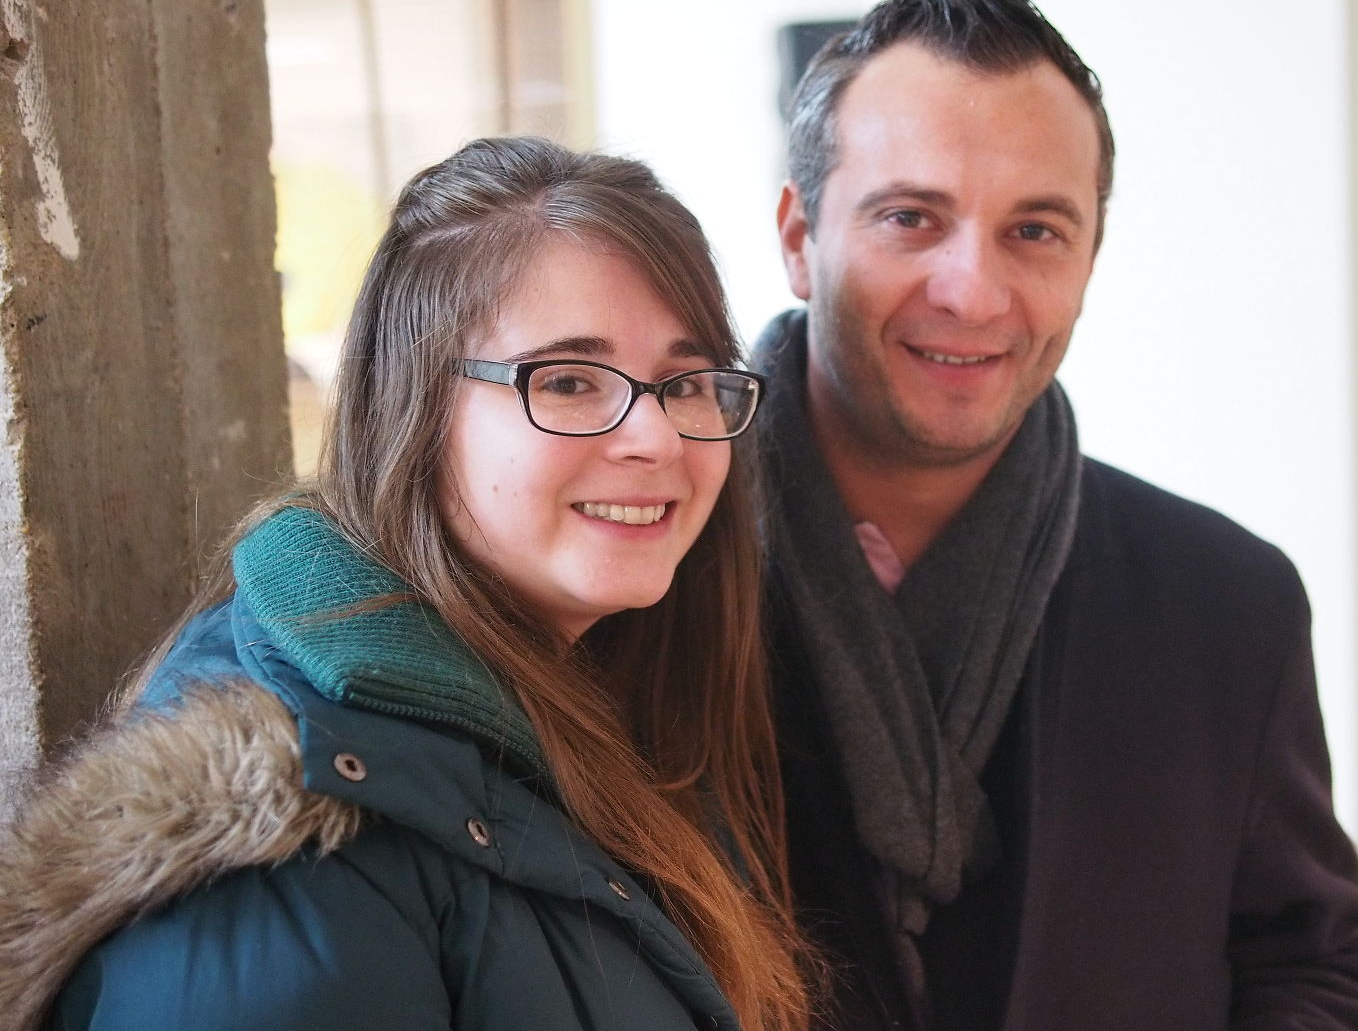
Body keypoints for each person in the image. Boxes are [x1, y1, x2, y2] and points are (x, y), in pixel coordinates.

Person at [0, 137, 813, 1031]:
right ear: (413, 405)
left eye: (685, 383)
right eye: (570, 381)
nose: (655, 439)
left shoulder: (618, 694)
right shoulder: (291, 870)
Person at [754, 0, 1358, 1030]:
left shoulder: (1228, 604)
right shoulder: (644, 578)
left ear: (1091, 256)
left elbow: (1317, 965)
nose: (972, 291)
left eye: (1036, 230)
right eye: (910, 218)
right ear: (798, 237)